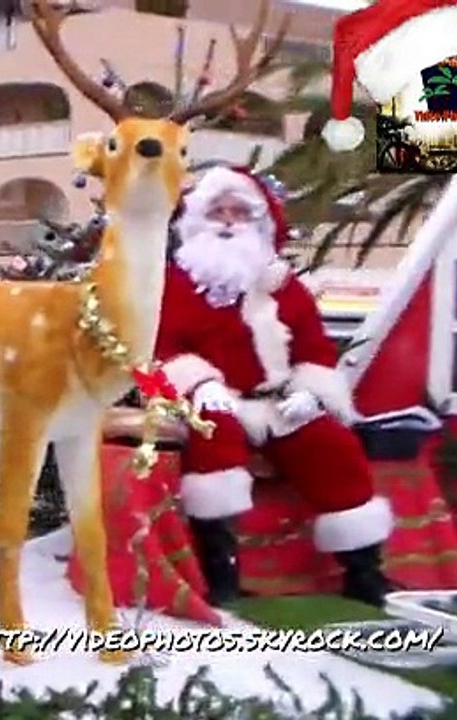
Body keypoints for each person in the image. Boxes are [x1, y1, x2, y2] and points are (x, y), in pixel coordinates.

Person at [155, 166, 393, 607]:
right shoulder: (174, 284)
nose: (228, 220)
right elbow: (160, 347)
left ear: (259, 223)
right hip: (209, 401)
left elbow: (315, 349)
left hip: (276, 402)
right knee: (216, 434)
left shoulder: (285, 288)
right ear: (196, 222)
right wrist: (197, 383)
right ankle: (219, 571)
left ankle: (363, 571)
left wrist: (311, 391)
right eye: (217, 211)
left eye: (239, 212)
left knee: (330, 443)